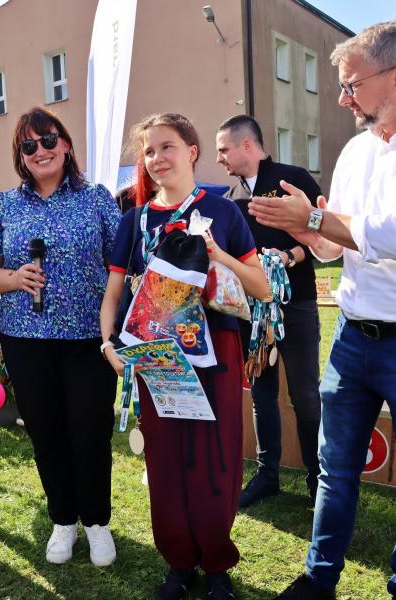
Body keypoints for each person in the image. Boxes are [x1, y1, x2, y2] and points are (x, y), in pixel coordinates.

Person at [247, 21, 396, 600]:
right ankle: (319, 579)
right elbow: (338, 246)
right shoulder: (357, 149)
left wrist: (314, 219)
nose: (342, 99)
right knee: (335, 469)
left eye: (352, 85)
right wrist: (310, 231)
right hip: (353, 336)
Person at [100, 114, 270, 599]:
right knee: (167, 462)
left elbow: (260, 287)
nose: (156, 158)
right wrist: (108, 343)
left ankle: (216, 565)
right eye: (149, 151)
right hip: (158, 356)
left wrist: (219, 256)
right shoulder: (134, 221)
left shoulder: (224, 212)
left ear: (192, 151)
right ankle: (179, 563)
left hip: (217, 352)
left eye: (166, 146)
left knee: (216, 462)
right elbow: (113, 294)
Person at [0, 107, 121, 567]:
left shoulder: (96, 198)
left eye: (49, 140)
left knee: (90, 431)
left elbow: (122, 264)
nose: (40, 150)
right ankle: (63, 519)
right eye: (29, 145)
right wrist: (14, 278)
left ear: (67, 144)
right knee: (46, 431)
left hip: (89, 339)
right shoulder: (3, 204)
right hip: (26, 339)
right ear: (20, 155)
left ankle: (96, 521)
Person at [215, 114, 323, 506]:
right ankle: (267, 475)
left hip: (296, 305)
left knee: (306, 394)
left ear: (247, 145)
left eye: (223, 149)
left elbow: (324, 234)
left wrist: (288, 257)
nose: (219, 158)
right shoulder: (231, 199)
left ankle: (318, 479)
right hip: (252, 311)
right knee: (261, 392)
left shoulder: (292, 179)